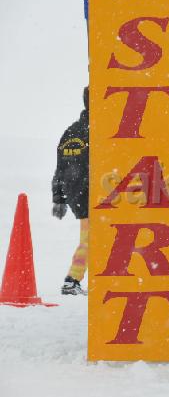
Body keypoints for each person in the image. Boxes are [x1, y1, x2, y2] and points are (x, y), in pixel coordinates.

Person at [52, 86, 90, 295]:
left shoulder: (71, 131)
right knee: (92, 238)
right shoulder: (99, 130)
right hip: (93, 191)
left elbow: (60, 167)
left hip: (75, 194)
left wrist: (59, 198)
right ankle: (72, 279)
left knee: (92, 236)